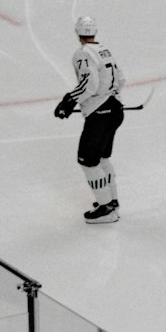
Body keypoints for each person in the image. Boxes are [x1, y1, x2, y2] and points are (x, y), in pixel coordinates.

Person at [53, 15, 126, 224]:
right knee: (102, 159)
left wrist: (69, 101)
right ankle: (111, 201)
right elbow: (121, 78)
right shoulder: (104, 50)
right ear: (94, 32)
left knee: (88, 160)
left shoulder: (83, 54)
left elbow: (90, 84)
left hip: (101, 114)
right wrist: (112, 100)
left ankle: (106, 209)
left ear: (77, 33)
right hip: (115, 110)